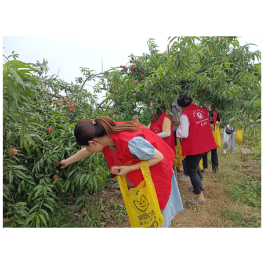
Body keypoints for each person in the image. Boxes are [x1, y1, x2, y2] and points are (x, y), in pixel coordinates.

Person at [59, 116, 183, 228]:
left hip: (159, 171)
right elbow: (89, 150)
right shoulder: (108, 132)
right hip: (148, 174)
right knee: (152, 214)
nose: (87, 149)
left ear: (93, 142)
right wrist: (67, 161)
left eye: (86, 146)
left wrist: (128, 169)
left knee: (159, 216)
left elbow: (158, 157)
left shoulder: (130, 141)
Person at [176, 95, 217, 204]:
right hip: (206, 144)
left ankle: (200, 198)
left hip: (195, 146)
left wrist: (176, 131)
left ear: (180, 106)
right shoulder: (202, 110)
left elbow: (184, 133)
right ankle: (197, 185)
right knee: (194, 165)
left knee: (191, 170)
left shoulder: (185, 115)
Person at [202, 103, 220, 173]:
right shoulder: (202, 112)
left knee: (214, 149)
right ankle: (204, 165)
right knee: (204, 150)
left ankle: (215, 167)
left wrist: (218, 122)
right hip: (205, 132)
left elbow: (218, 119)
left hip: (213, 132)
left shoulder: (215, 110)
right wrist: (208, 125)